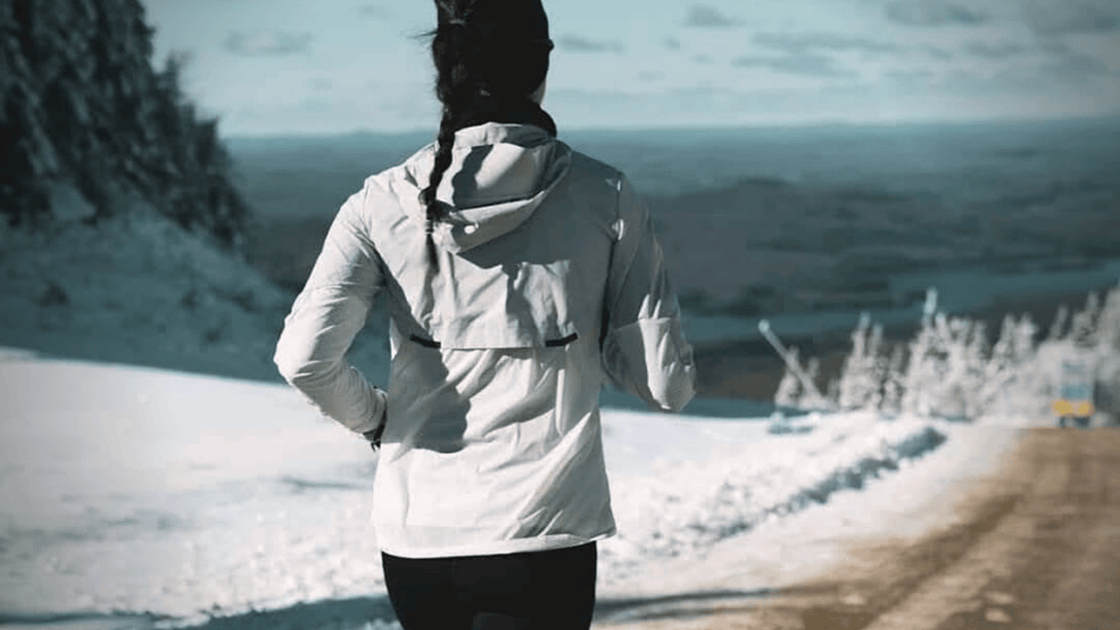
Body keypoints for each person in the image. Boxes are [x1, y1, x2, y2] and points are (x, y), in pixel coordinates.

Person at [273, 0, 696, 627]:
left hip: (420, 535)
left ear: (445, 71)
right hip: (546, 531)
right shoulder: (605, 195)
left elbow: (305, 360)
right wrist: (587, 338)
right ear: (541, 67)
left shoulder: (379, 201)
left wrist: (378, 421)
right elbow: (666, 386)